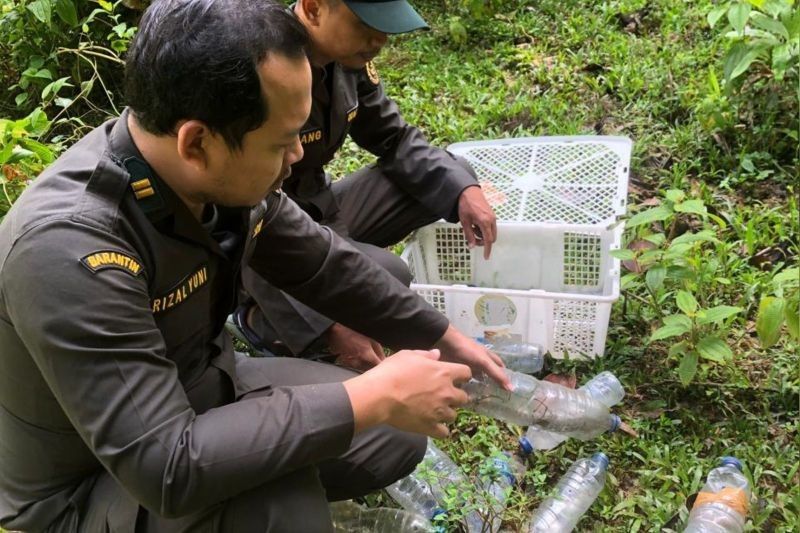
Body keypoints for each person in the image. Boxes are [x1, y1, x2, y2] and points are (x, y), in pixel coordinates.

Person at [0, 1, 509, 531]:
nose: (296, 157)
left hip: (202, 386)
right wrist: (372, 394)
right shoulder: (69, 249)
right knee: (282, 505)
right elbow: (165, 467)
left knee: (392, 435)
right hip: (93, 486)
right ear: (197, 142)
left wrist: (441, 334)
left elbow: (323, 263)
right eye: (282, 141)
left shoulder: (213, 176)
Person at [233, 0, 498, 368]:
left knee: (451, 174)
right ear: (313, 9)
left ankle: (339, 268)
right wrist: (327, 327)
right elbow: (241, 213)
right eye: (365, 25)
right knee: (388, 275)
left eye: (386, 28)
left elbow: (394, 138)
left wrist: (462, 190)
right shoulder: (259, 67)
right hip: (258, 236)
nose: (379, 40)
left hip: (318, 205)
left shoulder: (346, 63)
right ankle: (259, 320)